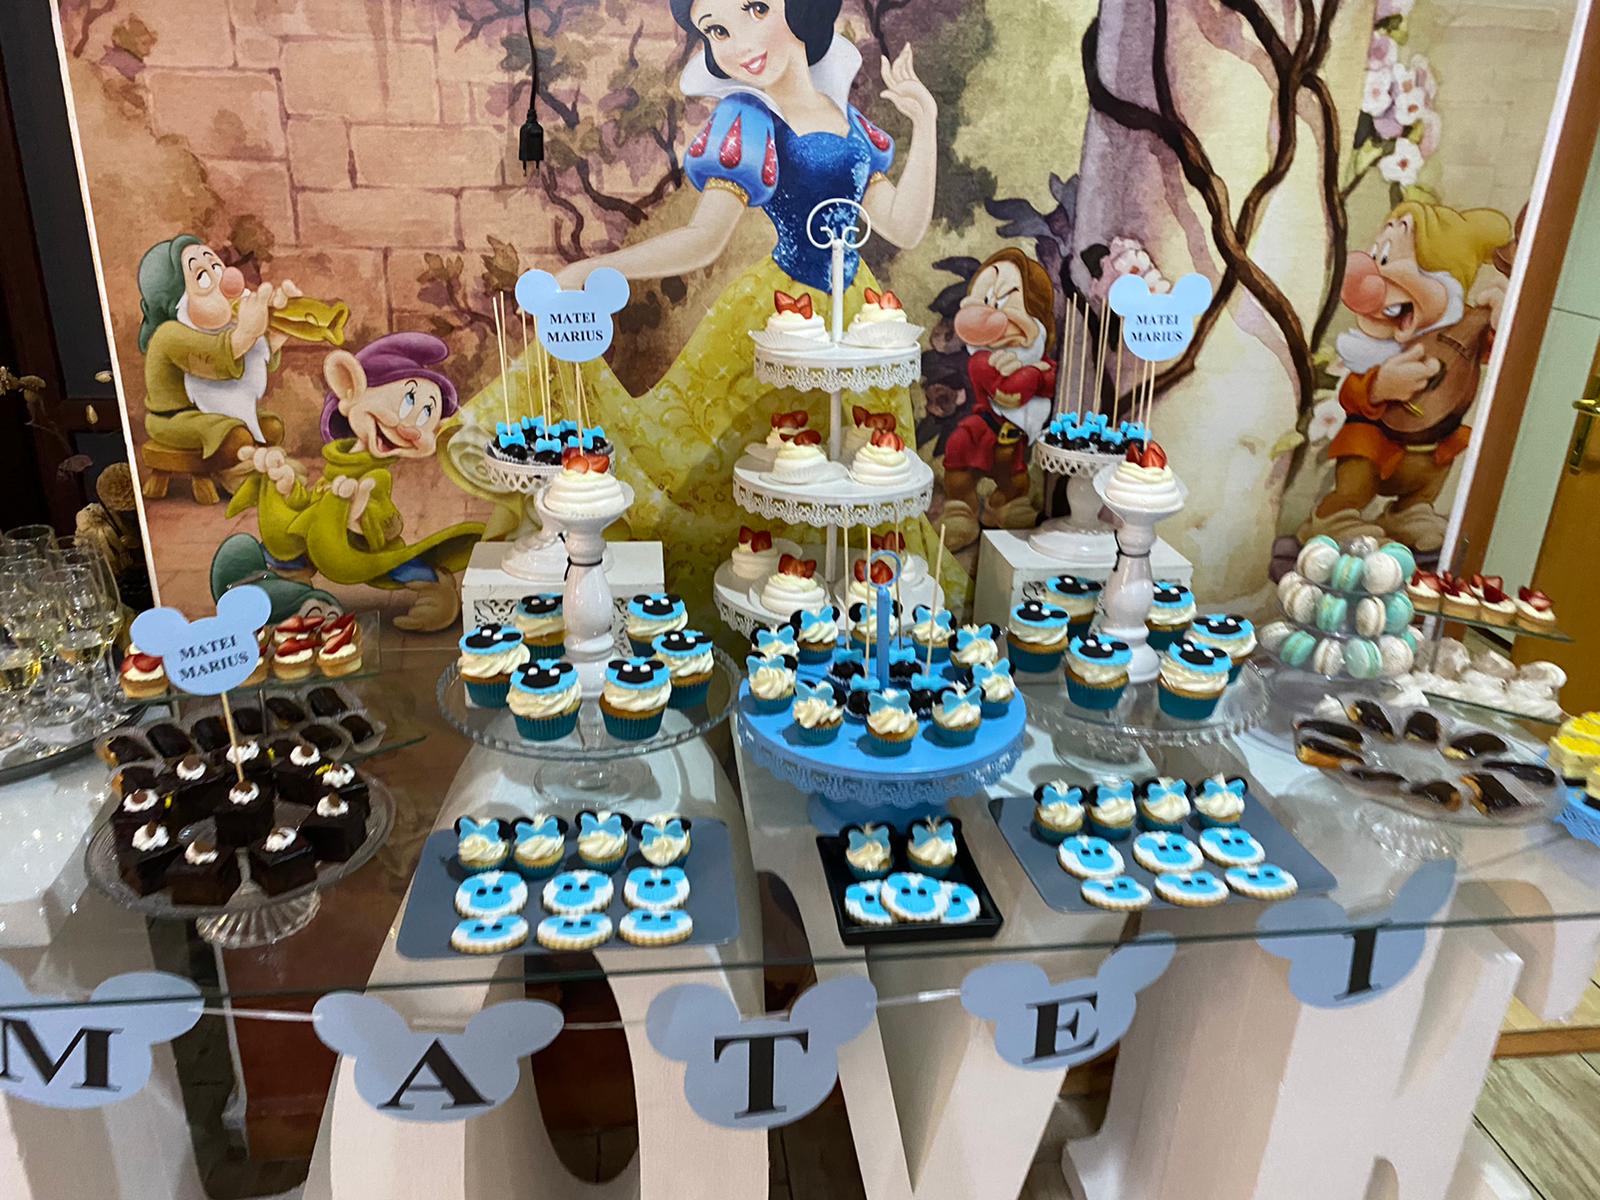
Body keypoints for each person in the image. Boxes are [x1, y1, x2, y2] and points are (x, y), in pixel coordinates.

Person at [476, 1, 956, 610]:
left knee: (854, 481)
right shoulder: (748, 118)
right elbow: (703, 239)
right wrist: (593, 270)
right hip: (778, 317)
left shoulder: (853, 122)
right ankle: (769, 604)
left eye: (754, 8)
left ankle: (843, 615)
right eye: (717, 30)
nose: (738, 43)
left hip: (861, 322)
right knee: (739, 471)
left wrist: (926, 124)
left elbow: (904, 227)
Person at [225, 333, 484, 631]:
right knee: (287, 546)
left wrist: (357, 510)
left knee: (393, 565)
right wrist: (284, 483)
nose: (410, 429)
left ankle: (435, 587)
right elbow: (311, 505)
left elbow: (383, 518)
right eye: (408, 402)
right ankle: (286, 589)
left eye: (427, 415)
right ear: (349, 387)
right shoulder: (339, 463)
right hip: (321, 539)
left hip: (359, 547)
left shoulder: (377, 476)